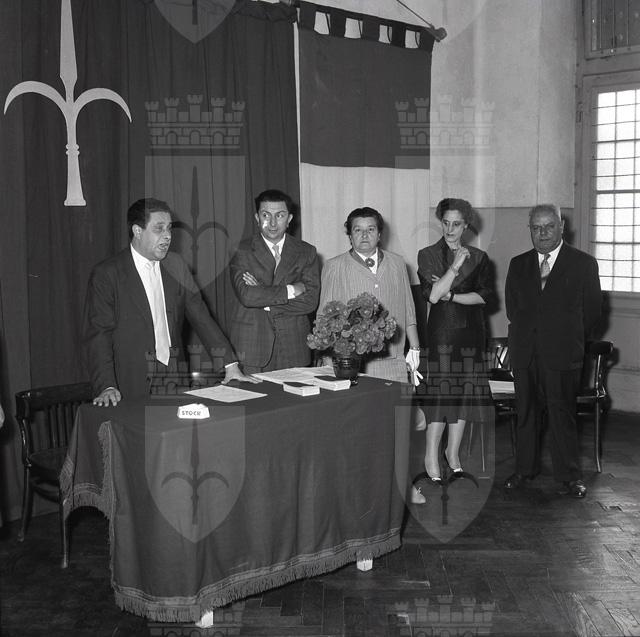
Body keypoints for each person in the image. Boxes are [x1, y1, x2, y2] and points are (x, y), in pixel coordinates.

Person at [83, 198, 258, 406]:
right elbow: (99, 335)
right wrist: (106, 385)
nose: (167, 236)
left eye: (169, 228)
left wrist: (230, 365)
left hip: (174, 378)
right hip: (128, 384)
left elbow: (202, 317)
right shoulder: (107, 274)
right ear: (137, 231)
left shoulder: (176, 265)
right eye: (159, 229)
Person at [504, 203, 601, 498]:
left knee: (562, 415)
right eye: (536, 227)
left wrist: (566, 339)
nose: (543, 233)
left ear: (562, 227)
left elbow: (592, 313)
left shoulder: (583, 264)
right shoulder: (518, 264)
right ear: (530, 230)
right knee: (526, 414)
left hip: (562, 354)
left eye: (549, 226)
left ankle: (570, 476)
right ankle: (524, 470)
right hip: (525, 354)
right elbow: (512, 309)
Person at [416, 198, 493, 485]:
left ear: (466, 226)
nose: (450, 229)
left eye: (456, 224)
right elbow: (433, 295)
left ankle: (453, 453)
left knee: (463, 395)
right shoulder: (427, 254)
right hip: (442, 333)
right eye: (446, 223)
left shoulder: (481, 257)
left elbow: (483, 297)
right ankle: (430, 456)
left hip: (472, 332)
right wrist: (456, 266)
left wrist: (451, 293)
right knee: (441, 395)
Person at [319, 207, 421, 384]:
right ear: (350, 236)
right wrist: (328, 358)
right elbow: (324, 317)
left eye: (371, 229)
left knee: (395, 401)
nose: (364, 235)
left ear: (379, 234)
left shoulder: (397, 263)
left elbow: (408, 309)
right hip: (351, 362)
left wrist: (415, 348)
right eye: (358, 230)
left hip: (393, 360)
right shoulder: (334, 267)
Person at [228, 189, 320, 373]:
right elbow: (248, 296)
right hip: (253, 346)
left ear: (289, 218)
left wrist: (263, 296)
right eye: (265, 215)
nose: (272, 223)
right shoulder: (241, 250)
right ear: (257, 217)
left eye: (279, 215)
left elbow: (310, 302)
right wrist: (291, 290)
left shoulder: (306, 251)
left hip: (294, 346)